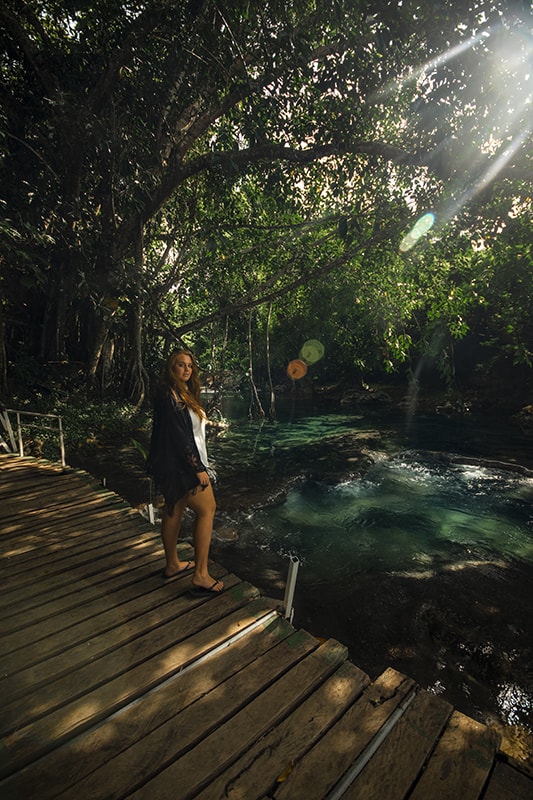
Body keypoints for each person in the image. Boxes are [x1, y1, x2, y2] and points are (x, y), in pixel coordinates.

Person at [146, 349, 224, 595]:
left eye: (190, 365)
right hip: (183, 466)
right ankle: (200, 574)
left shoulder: (179, 393)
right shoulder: (170, 395)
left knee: (174, 510)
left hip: (173, 465)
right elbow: (180, 437)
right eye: (181, 365)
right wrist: (198, 468)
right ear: (171, 368)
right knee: (207, 509)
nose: (186, 369)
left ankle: (172, 564)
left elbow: (186, 431)